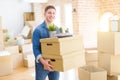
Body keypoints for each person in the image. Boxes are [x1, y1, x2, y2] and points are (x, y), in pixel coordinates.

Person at [32, 5, 60, 80]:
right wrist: (44, 62)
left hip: (55, 62)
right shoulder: (38, 30)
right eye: (49, 13)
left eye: (54, 13)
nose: (52, 15)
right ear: (44, 14)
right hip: (42, 64)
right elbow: (35, 48)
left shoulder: (57, 29)